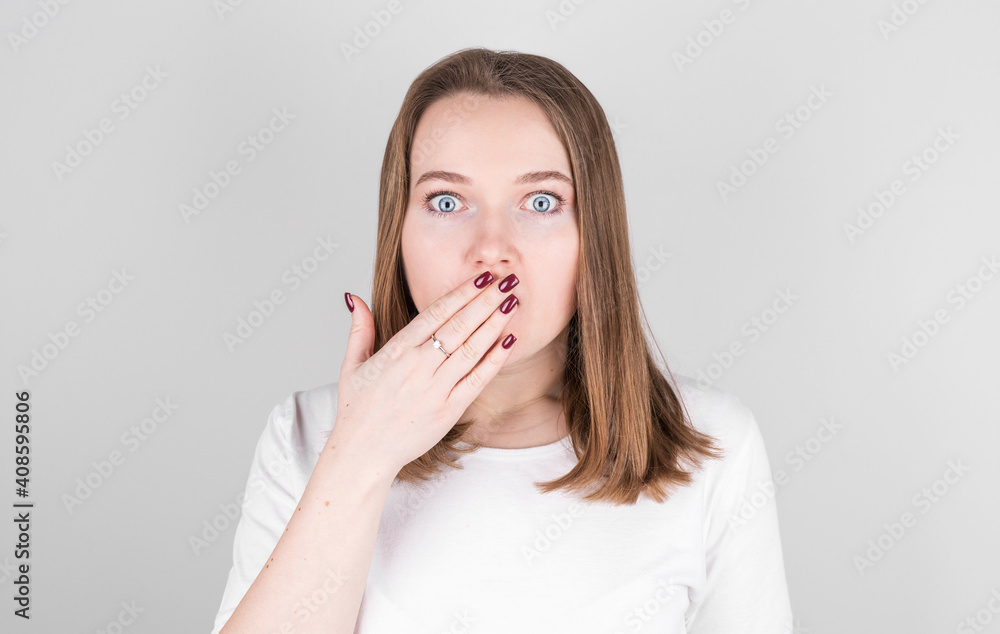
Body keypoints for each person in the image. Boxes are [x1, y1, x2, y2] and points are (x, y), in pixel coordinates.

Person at [211, 47, 793, 634]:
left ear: (595, 235)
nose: (491, 248)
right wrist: (360, 453)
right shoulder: (306, 435)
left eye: (541, 203)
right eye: (446, 201)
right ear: (399, 232)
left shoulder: (713, 444)